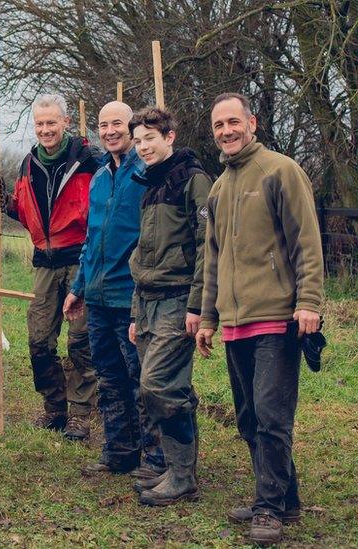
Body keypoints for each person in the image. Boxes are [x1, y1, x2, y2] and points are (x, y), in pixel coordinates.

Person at [196, 93, 324, 545]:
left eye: (233, 122)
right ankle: (284, 498)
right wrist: (208, 316)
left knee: (272, 414)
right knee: (249, 417)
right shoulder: (218, 188)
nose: (226, 131)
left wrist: (309, 301)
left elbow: (306, 242)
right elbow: (214, 260)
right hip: (234, 322)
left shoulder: (280, 171)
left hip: (277, 316)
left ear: (251, 122)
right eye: (218, 126)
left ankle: (267, 507)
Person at [0, 94, 99, 441]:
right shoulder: (29, 163)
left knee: (80, 341)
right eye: (40, 124)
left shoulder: (87, 161)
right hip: (44, 262)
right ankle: (55, 408)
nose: (46, 129)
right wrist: (3, 201)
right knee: (39, 341)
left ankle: (81, 414)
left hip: (80, 258)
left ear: (66, 122)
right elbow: (27, 214)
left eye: (52, 123)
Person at [64, 101, 165, 478]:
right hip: (98, 297)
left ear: (132, 127)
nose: (109, 131)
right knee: (108, 378)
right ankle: (119, 451)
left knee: (140, 378)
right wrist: (78, 286)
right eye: (103, 125)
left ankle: (155, 458)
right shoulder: (100, 178)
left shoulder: (147, 174)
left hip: (132, 295)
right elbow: (92, 238)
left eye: (117, 124)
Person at [126, 107, 211, 506]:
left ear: (170, 136)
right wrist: (133, 311)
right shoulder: (151, 183)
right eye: (138, 141)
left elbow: (207, 247)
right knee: (164, 387)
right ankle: (178, 468)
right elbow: (143, 253)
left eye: (150, 139)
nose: (143, 147)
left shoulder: (193, 180)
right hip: (146, 302)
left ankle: (181, 475)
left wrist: (199, 306)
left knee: (158, 384)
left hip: (179, 300)